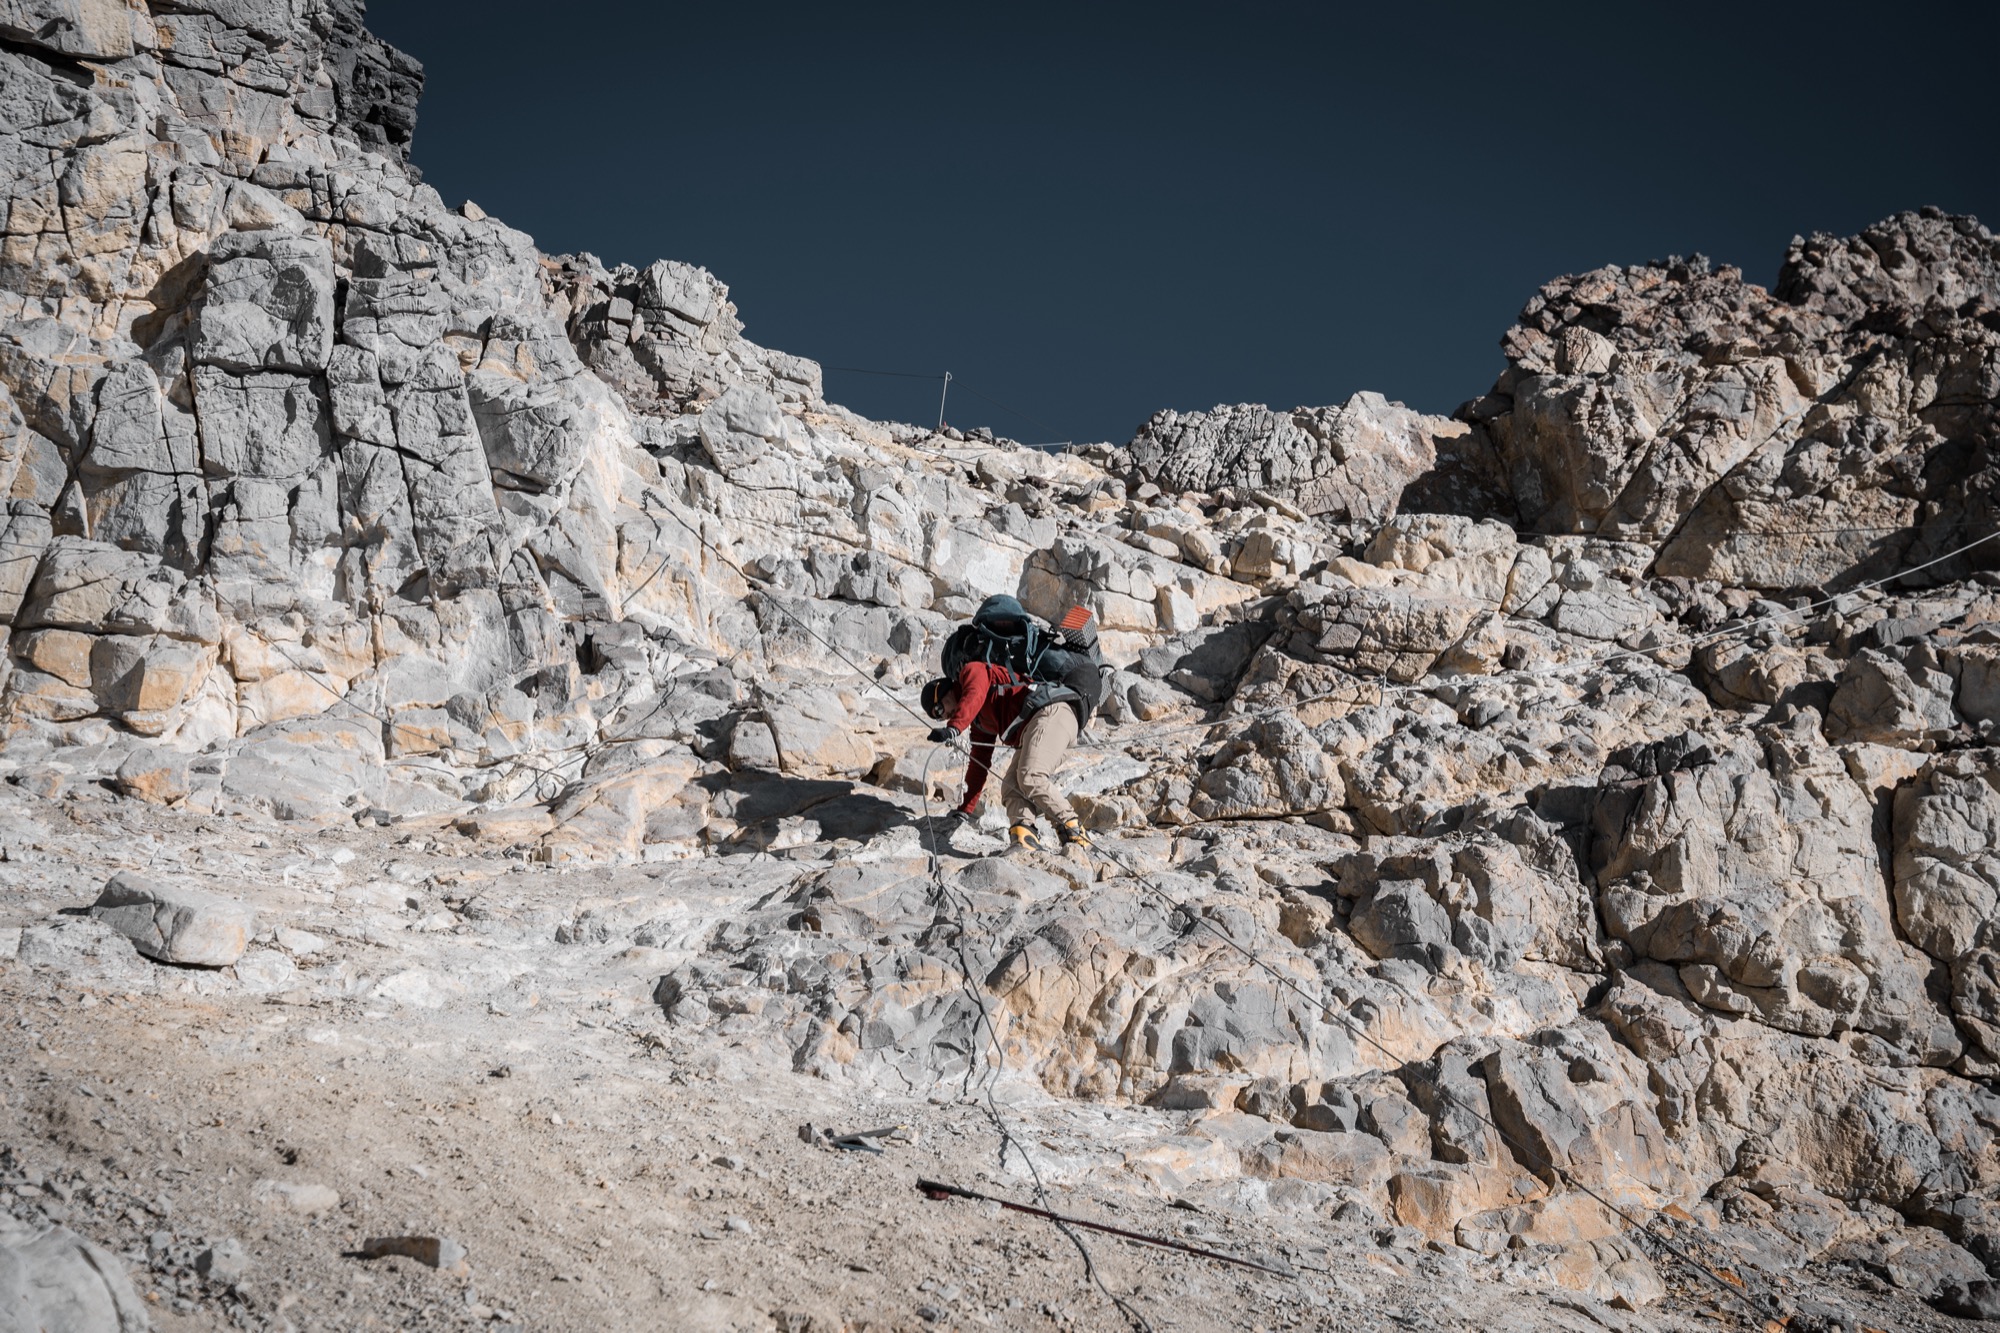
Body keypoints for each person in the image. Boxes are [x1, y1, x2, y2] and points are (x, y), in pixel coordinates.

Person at [920, 660, 1090, 853]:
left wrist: (954, 728)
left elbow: (974, 693)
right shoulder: (980, 722)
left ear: (943, 691)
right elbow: (978, 764)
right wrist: (964, 810)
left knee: (1031, 776)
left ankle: (1075, 833)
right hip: (1035, 728)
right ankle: (1025, 841)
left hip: (1053, 711)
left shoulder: (973, 671)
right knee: (1011, 786)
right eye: (938, 718)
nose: (944, 716)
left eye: (939, 710)